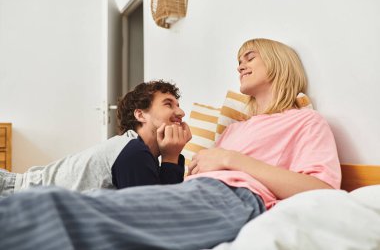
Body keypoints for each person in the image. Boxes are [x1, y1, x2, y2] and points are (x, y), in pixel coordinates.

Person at [0, 38, 341, 250]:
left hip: (231, 198)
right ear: (140, 115)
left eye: (250, 56)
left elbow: (322, 189)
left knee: (52, 211)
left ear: (280, 63)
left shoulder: (305, 121)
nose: (240, 64)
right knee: (54, 206)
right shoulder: (234, 129)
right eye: (239, 59)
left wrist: (229, 159)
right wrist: (190, 159)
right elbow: (165, 193)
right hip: (200, 194)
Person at [0, 81, 191, 197]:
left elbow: (163, 209)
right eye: (169, 104)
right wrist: (171, 158)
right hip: (11, 195)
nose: (181, 112)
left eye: (178, 105)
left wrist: (171, 156)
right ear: (140, 115)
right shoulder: (133, 152)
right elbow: (159, 219)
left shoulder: (137, 152)